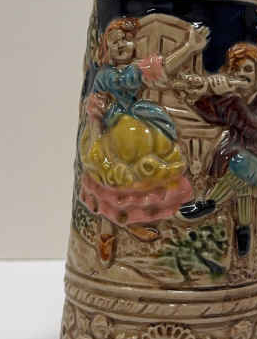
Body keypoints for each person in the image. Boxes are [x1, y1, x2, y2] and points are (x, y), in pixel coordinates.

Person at [79, 17, 208, 264]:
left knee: (145, 178)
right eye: (114, 41)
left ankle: (142, 223)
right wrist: (95, 143)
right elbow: (95, 109)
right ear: (105, 47)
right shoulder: (104, 76)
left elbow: (163, 67)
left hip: (137, 126)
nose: (122, 45)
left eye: (127, 40)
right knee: (110, 181)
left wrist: (189, 48)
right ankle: (107, 234)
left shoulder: (133, 71)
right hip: (113, 134)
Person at [179, 43, 257, 256]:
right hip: (230, 153)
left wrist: (233, 98)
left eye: (248, 70)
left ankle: (209, 203)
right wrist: (204, 93)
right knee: (242, 186)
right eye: (236, 70)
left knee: (244, 165)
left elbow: (253, 127)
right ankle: (243, 230)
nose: (241, 75)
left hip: (255, 155)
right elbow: (211, 114)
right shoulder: (232, 98)